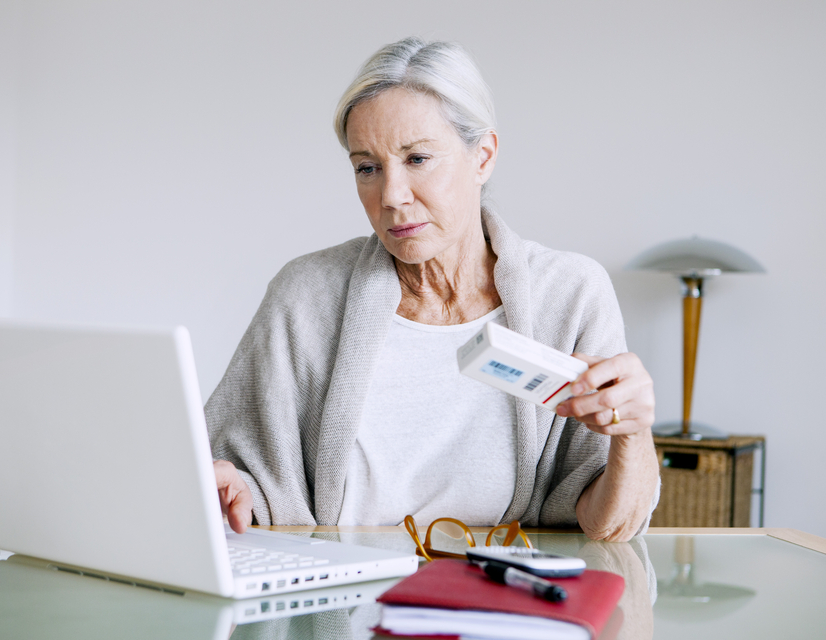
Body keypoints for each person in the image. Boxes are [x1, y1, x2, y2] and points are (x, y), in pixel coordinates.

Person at [206, 37, 659, 541]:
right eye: (367, 168)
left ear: (482, 157)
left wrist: (633, 434)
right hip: (342, 605)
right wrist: (233, 488)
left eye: (418, 158)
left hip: (504, 604)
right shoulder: (304, 295)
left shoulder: (570, 295)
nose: (393, 196)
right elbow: (242, 474)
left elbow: (612, 525)